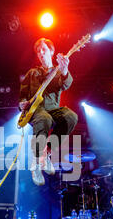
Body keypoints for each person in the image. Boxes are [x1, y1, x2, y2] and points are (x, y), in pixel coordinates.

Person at [19, 37, 78, 186]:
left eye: (43, 50)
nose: (40, 53)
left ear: (51, 52)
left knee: (70, 116)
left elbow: (66, 84)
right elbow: (22, 96)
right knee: (44, 118)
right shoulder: (32, 73)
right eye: (38, 51)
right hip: (36, 111)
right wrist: (22, 104)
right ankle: (36, 164)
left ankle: (47, 154)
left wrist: (65, 70)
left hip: (52, 108)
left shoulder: (58, 71)